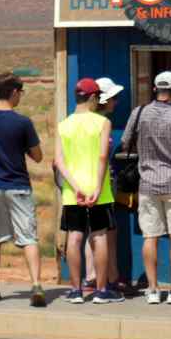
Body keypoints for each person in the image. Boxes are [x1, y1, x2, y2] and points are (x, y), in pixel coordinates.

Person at [120, 71, 171, 305]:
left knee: (150, 236)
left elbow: (124, 142)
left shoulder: (138, 113)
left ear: (155, 89)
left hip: (148, 184)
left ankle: (152, 289)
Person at [0, 72, 45, 307]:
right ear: (14, 92)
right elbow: (37, 156)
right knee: (28, 237)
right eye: (20, 92)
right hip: (18, 186)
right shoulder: (23, 122)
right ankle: (36, 284)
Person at [54, 77, 124, 305]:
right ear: (94, 97)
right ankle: (102, 290)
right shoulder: (101, 123)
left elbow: (59, 162)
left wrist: (76, 188)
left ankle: (76, 290)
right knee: (100, 235)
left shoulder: (63, 124)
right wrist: (95, 187)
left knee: (74, 237)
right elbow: (103, 156)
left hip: (72, 191)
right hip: (98, 190)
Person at [80, 77, 137, 296]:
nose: (116, 101)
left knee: (95, 232)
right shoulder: (100, 124)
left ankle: (97, 276)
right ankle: (102, 278)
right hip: (99, 183)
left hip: (86, 183)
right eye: (114, 97)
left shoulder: (85, 120)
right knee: (103, 232)